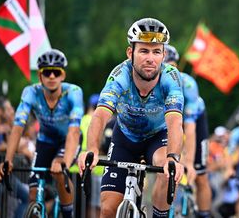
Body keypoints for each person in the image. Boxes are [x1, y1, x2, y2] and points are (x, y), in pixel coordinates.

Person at [77, 18, 185, 218]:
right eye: (144, 51)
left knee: (165, 168)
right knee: (108, 209)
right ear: (130, 53)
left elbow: (175, 122)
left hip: (157, 137)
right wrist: (90, 148)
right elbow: (100, 115)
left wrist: (173, 158)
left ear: (163, 55)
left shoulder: (171, 77)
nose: (150, 58)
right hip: (125, 138)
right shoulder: (120, 76)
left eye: (156, 51)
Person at [0, 49, 84, 218]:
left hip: (69, 140)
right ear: (40, 75)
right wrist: (7, 160)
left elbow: (74, 131)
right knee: (33, 193)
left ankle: (68, 214)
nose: (51, 76)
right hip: (45, 141)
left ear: (62, 75)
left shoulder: (73, 92)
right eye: (47, 72)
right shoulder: (31, 92)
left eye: (56, 72)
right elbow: (17, 127)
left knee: (59, 172)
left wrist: (64, 163)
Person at [163, 44, 212, 217]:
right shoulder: (153, 82)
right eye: (164, 67)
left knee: (200, 175)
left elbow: (190, 130)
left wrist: (189, 163)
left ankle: (204, 213)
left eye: (172, 67)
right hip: (170, 122)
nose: (168, 72)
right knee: (166, 171)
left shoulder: (187, 84)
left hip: (194, 120)